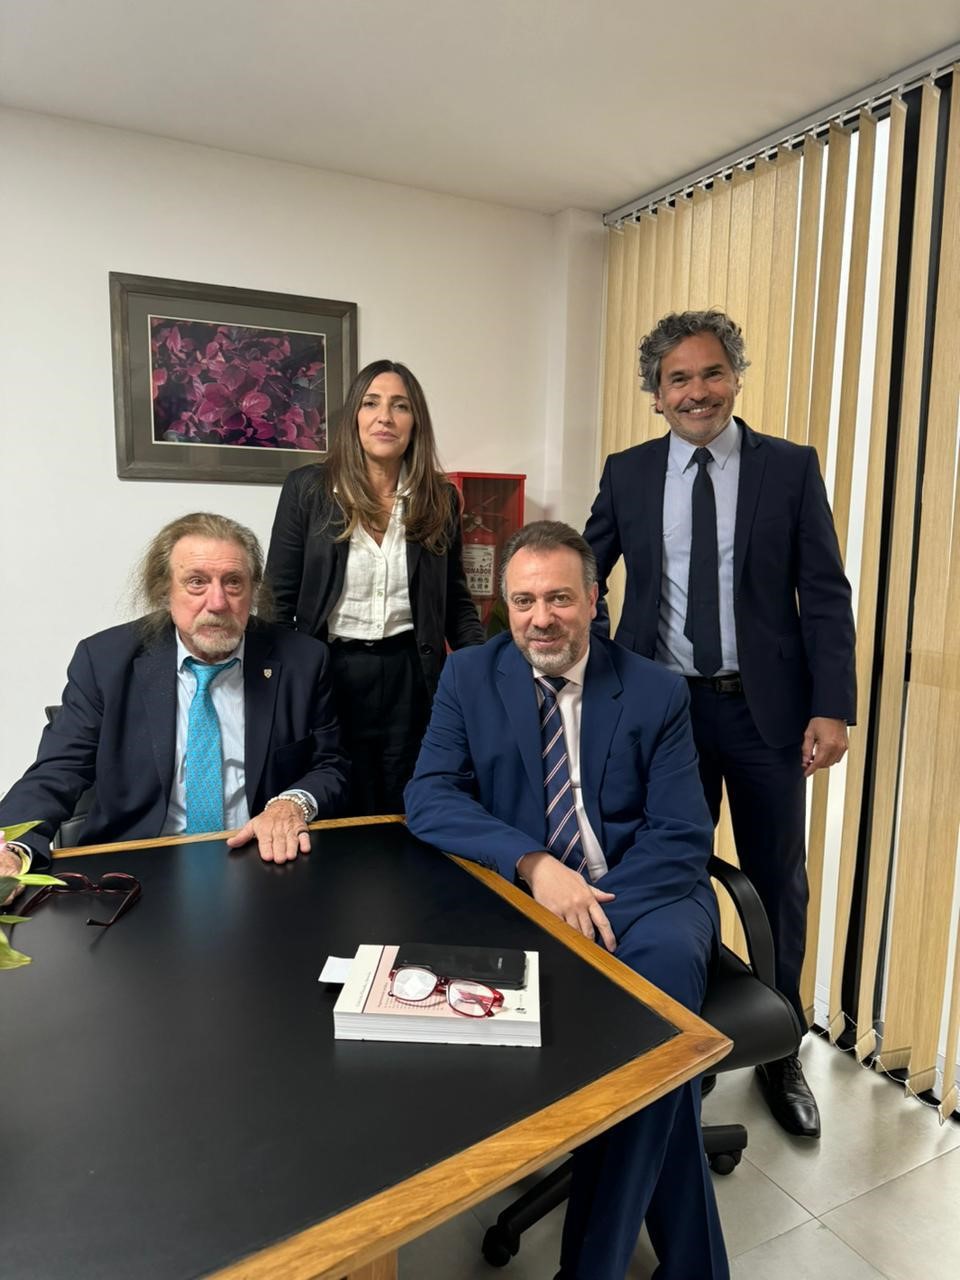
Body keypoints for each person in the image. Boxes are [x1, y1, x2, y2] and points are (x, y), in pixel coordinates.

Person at [405, 521, 728, 1280]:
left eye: (558, 598)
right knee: (664, 1082)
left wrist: (594, 909)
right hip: (530, 898)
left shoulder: (655, 690)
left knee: (654, 1039)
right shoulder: (469, 677)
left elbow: (683, 834)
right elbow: (428, 795)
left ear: (592, 599)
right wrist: (535, 865)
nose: (540, 618)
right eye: (523, 601)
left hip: (649, 897)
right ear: (505, 606)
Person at [583, 309, 857, 1139]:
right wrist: (603, 674)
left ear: (735, 377)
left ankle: (781, 1049)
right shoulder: (629, 473)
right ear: (656, 394)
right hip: (664, 713)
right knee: (671, 874)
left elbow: (825, 593)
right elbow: (586, 575)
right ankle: (684, 1040)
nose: (696, 391)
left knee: (777, 881)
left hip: (765, 712)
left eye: (711, 373)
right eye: (678, 379)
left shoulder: (789, 467)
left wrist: (832, 704)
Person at [0, 512, 348, 878]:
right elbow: (58, 770)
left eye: (233, 582)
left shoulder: (302, 661)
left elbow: (331, 765)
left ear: (253, 591)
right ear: (165, 591)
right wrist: (11, 847)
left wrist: (292, 803)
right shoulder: (105, 661)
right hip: (136, 869)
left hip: (261, 862)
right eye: (197, 582)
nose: (217, 602)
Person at [265, 358, 484, 816]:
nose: (385, 417)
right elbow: (277, 600)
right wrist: (278, 685)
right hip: (329, 669)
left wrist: (484, 671)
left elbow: (455, 600)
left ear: (415, 422)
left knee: (408, 799)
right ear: (354, 417)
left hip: (412, 673)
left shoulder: (440, 498)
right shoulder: (308, 489)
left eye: (400, 406)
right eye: (371, 403)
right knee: (335, 793)